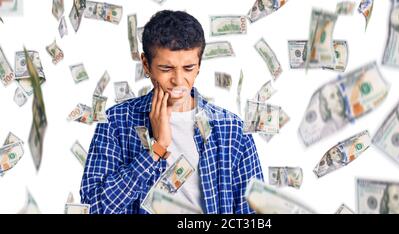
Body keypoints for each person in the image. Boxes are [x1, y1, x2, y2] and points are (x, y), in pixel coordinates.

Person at [80, 10, 264, 214]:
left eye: (188, 68)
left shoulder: (232, 130)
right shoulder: (115, 122)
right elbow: (93, 208)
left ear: (199, 66)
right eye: (166, 69)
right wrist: (156, 149)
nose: (178, 80)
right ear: (146, 64)